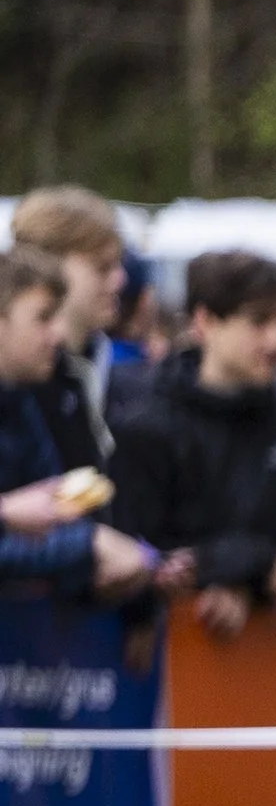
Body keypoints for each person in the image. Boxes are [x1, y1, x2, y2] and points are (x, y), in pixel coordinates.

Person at [111, 251, 276, 637]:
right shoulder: (145, 427)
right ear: (206, 322)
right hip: (159, 661)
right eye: (258, 322)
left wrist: (247, 588)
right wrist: (250, 563)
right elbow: (140, 555)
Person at [0, 248, 156, 601]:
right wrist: (91, 549)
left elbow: (53, 524)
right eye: (43, 318)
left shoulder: (22, 403)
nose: (57, 334)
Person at [13, 185, 133, 466]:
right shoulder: (19, 376)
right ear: (49, 265)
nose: (120, 280)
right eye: (102, 267)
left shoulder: (89, 366)